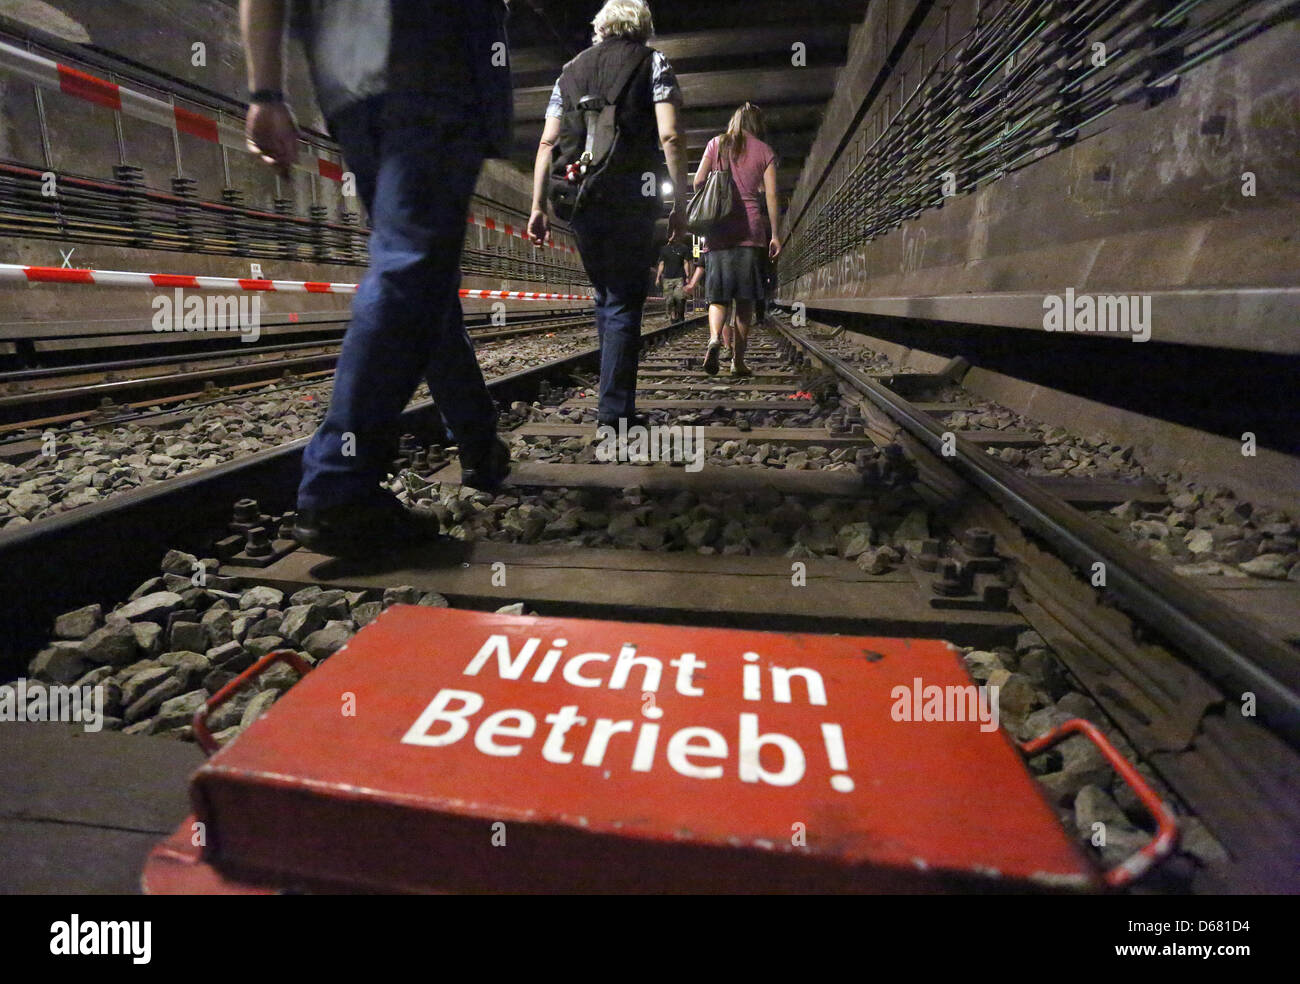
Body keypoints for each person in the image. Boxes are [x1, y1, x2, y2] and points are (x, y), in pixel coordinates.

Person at [240, 0, 513, 557]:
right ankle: (339, 487)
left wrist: (265, 92)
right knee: (412, 265)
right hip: (429, 63)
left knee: (422, 279)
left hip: (349, 86)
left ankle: (480, 443)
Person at [528, 0, 688, 430]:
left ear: (602, 27)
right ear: (642, 27)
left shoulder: (569, 71)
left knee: (605, 297)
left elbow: (547, 143)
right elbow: (670, 135)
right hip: (632, 197)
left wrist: (538, 206)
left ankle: (613, 404)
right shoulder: (654, 63)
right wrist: (680, 205)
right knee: (621, 301)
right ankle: (615, 415)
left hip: (579, 199)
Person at [694, 102, 781, 377]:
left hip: (718, 231)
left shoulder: (716, 143)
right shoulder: (764, 151)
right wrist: (775, 234)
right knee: (744, 303)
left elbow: (697, 181)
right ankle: (737, 362)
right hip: (751, 233)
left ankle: (714, 339)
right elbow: (771, 196)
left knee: (718, 297)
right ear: (757, 124)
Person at [655, 232, 693, 322]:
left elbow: (685, 262)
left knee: (679, 298)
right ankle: (673, 316)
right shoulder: (664, 249)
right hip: (667, 278)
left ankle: (680, 316)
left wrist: (688, 276)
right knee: (669, 300)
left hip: (679, 277)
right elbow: (661, 263)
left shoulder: (684, 248)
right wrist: (658, 277)